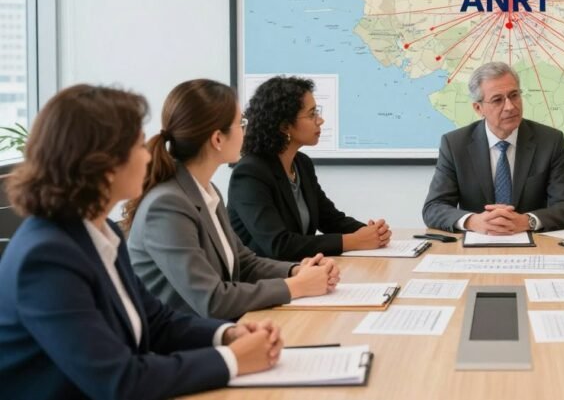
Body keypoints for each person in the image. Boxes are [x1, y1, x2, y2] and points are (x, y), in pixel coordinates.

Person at [0, 85, 283, 400]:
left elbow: (156, 321)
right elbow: (120, 381)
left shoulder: (101, 232)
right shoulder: (46, 259)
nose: (148, 155)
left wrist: (227, 334)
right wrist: (233, 360)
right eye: (138, 145)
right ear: (104, 164)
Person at [124, 79, 340, 320]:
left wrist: (297, 270)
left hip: (218, 327)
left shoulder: (207, 190)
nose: (246, 131)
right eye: (241, 123)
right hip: (185, 337)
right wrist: (296, 286)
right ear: (218, 139)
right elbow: (213, 300)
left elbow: (243, 262)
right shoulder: (166, 205)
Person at [229, 76, 390, 261]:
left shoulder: (302, 164)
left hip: (301, 270)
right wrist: (353, 241)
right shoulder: (250, 173)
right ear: (285, 126)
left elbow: (330, 220)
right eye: (312, 114)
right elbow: (279, 245)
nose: (320, 120)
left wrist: (370, 232)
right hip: (263, 276)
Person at [422, 61, 564, 233]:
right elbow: (433, 208)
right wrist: (472, 222)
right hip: (477, 242)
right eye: (497, 100)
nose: (510, 107)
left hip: (534, 242)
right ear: (478, 108)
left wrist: (527, 221)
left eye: (514, 95)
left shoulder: (549, 141)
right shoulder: (455, 144)